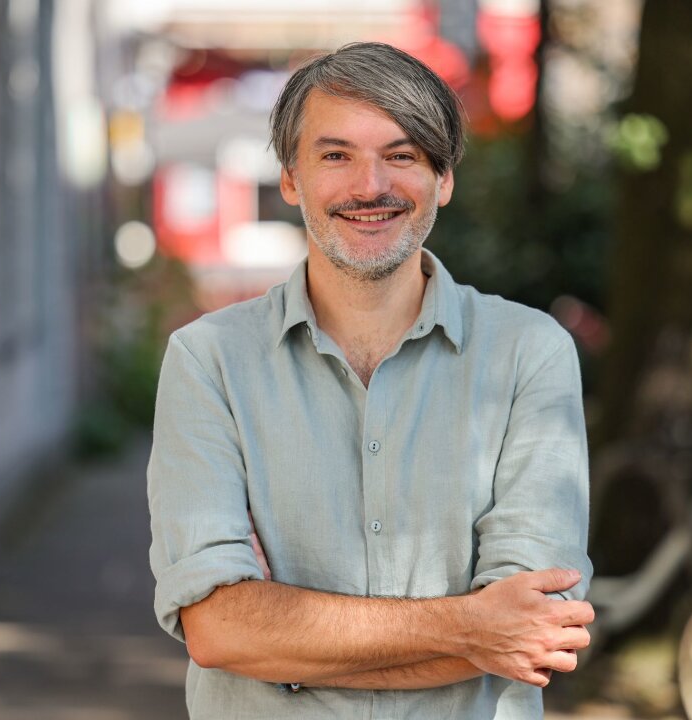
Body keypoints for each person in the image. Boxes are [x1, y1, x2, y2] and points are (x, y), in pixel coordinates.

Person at [148, 41, 594, 719]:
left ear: (443, 179)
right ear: (290, 179)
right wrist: (473, 626)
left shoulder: (529, 354)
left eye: (402, 154)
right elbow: (217, 628)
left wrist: (288, 641)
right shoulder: (208, 362)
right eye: (336, 155)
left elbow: (534, 630)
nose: (369, 186)